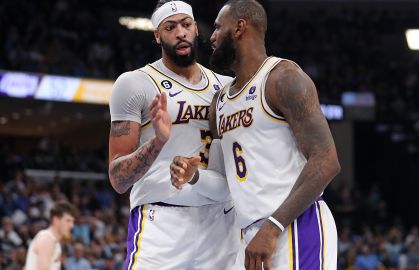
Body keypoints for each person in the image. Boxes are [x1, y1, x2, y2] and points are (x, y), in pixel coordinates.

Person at [171, 0, 341, 269]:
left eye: (217, 27)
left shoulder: (282, 78)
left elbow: (327, 160)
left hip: (295, 226)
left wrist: (272, 228)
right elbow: (222, 185)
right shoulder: (220, 102)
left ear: (239, 28)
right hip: (250, 234)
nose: (211, 36)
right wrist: (193, 176)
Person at [108, 0, 238, 269]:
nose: (180, 32)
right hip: (161, 223)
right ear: (157, 35)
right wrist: (158, 142)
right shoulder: (135, 84)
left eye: (186, 24)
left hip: (220, 223)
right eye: (170, 27)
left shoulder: (226, 87)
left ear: (196, 29)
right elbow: (118, 179)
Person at [24, 201, 76, 270]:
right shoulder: (47, 239)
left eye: (73, 221)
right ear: (56, 220)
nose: (71, 226)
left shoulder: (53, 241)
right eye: (68, 221)